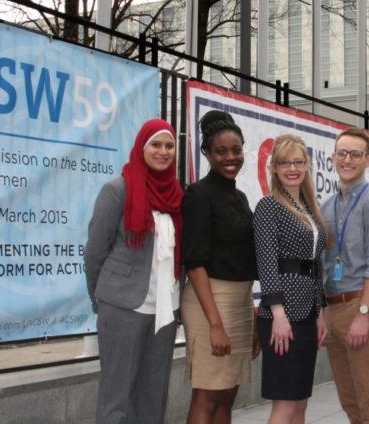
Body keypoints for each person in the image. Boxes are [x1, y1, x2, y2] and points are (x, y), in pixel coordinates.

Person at [83, 118, 183, 424]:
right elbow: (94, 252)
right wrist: (103, 299)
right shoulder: (118, 190)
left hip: (165, 311)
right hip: (123, 306)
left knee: (153, 395)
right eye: (155, 144)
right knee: (118, 396)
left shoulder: (177, 195)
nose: (163, 151)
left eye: (168, 145)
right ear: (142, 147)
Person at [181, 111, 258, 424]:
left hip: (239, 302)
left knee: (228, 393)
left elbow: (242, 257)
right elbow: (194, 262)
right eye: (221, 151)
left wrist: (251, 312)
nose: (231, 157)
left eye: (236, 150)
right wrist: (215, 324)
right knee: (209, 393)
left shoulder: (239, 197)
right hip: (209, 302)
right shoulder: (199, 195)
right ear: (207, 153)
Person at [253, 134, 329, 424]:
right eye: (284, 162)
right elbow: (267, 262)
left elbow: (315, 265)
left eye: (298, 161)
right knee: (285, 405)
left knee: (300, 404)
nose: (292, 168)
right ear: (274, 167)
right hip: (282, 316)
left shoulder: (309, 209)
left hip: (307, 314)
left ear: (308, 165)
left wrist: (320, 312)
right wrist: (278, 315)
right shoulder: (268, 206)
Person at [320, 128, 369, 424]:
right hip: (332, 307)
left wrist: (364, 312)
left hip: (359, 306)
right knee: (349, 400)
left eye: (355, 154)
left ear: (368, 160)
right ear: (333, 157)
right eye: (342, 153)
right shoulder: (327, 204)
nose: (347, 160)